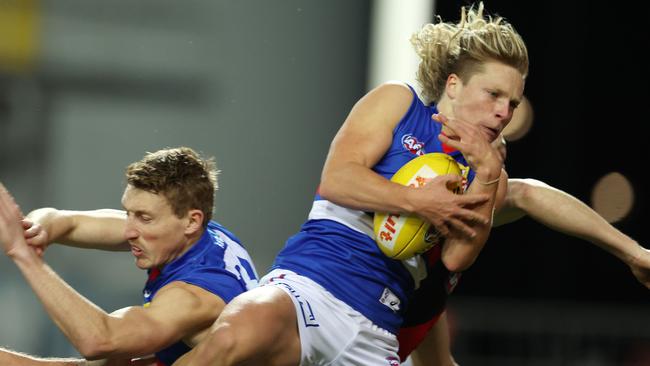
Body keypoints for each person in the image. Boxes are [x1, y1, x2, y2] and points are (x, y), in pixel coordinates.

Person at [173, 3, 527, 365]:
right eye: (493, 94)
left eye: (512, 103)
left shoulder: (489, 177)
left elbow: (455, 259)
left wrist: (486, 172)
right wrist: (417, 201)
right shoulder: (399, 103)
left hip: (376, 330)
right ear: (454, 85)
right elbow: (338, 179)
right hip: (310, 286)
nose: (503, 112)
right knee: (229, 340)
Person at [0, 147, 259, 365]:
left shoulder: (194, 295)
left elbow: (100, 340)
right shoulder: (198, 236)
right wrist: (34, 229)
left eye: (144, 218)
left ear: (192, 221)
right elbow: (66, 221)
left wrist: (24, 255)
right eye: (128, 212)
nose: (128, 230)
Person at [399, 176, 650, 366]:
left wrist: (636, 254)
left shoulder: (430, 278)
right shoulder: (396, 237)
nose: (503, 114)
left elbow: (527, 193)